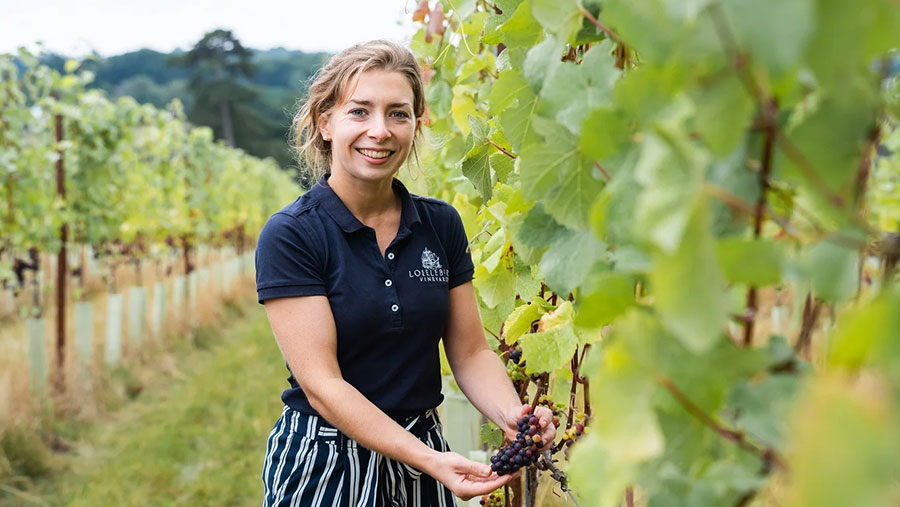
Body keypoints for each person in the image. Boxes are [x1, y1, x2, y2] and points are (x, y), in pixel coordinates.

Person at [254, 40, 556, 507]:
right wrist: (429, 460)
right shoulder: (293, 235)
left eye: (398, 113)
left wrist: (514, 417)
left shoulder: (441, 224)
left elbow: (472, 352)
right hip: (328, 458)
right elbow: (324, 386)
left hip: (421, 448)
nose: (380, 130)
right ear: (325, 123)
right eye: (359, 112)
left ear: (416, 124)